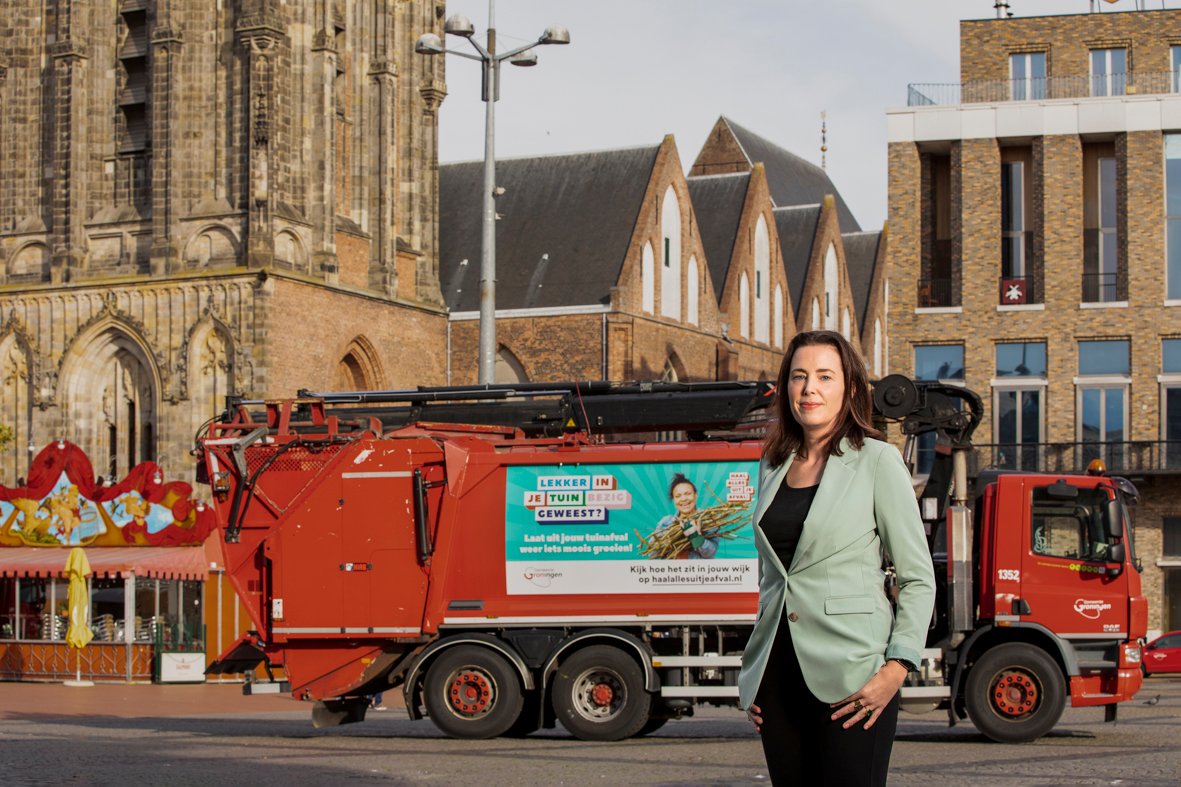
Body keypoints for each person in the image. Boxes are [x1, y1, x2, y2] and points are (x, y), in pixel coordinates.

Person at [739, 330, 935, 786]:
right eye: (799, 376)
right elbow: (774, 581)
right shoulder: (773, 465)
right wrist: (755, 674)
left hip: (854, 677)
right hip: (778, 679)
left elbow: (917, 577)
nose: (809, 389)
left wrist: (897, 667)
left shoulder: (877, 461)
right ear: (786, 387)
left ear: (848, 389)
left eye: (825, 376)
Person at [654, 474, 718, 559]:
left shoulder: (708, 520)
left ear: (696, 495)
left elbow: (710, 553)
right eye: (678, 496)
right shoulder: (665, 523)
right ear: (674, 500)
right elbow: (652, 554)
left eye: (687, 494)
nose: (683, 499)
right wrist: (669, 541)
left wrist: (695, 536)